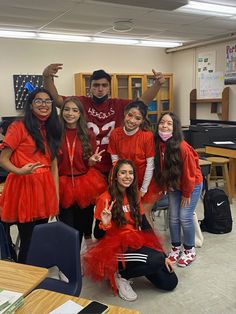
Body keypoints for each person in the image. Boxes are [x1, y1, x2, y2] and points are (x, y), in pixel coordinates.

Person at [43, 64, 165, 175]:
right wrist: (47, 76)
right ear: (90, 87)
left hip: (113, 165)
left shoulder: (118, 104)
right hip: (88, 166)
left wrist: (157, 84)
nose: (100, 89)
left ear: (109, 88)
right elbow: (56, 99)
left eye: (104, 85)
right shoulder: (81, 102)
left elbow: (142, 102)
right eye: (96, 85)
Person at [83, 159, 178, 302]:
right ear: (115, 176)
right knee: (156, 259)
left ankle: (140, 265)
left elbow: (145, 226)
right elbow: (97, 235)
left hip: (134, 241)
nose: (128, 176)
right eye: (123, 173)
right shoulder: (105, 199)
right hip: (114, 249)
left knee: (170, 282)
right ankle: (121, 275)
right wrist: (104, 223)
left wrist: (164, 256)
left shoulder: (134, 196)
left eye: (130, 173)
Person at [0, 88, 62, 263]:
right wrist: (20, 171)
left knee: (39, 238)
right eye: (38, 101)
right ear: (31, 105)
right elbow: (3, 159)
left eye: (47, 101)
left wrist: (55, 198)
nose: (44, 105)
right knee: (28, 239)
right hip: (24, 186)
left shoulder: (52, 128)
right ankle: (23, 280)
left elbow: (54, 167)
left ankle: (35, 273)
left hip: (44, 188)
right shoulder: (18, 127)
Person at [153, 112, 203, 267]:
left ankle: (189, 250)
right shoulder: (159, 144)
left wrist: (187, 193)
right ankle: (176, 248)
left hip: (191, 185)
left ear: (175, 128)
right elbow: (162, 168)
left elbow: (190, 173)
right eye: (162, 122)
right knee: (173, 217)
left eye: (169, 124)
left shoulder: (182, 147)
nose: (165, 126)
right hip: (175, 186)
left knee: (184, 217)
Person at [58, 97, 107, 246]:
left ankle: (75, 262)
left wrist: (91, 161)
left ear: (80, 114)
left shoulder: (88, 134)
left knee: (80, 227)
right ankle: (67, 261)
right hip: (62, 184)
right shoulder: (55, 133)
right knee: (66, 229)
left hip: (85, 184)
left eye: (75, 110)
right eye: (66, 109)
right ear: (62, 112)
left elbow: (88, 161)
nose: (70, 113)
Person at [107, 100, 156, 228]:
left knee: (143, 214)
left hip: (144, 182)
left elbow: (150, 165)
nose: (132, 120)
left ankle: (151, 246)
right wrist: (121, 184)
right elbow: (115, 162)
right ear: (124, 114)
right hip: (124, 182)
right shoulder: (115, 134)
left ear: (142, 121)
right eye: (130, 115)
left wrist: (143, 189)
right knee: (125, 214)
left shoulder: (147, 136)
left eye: (138, 118)